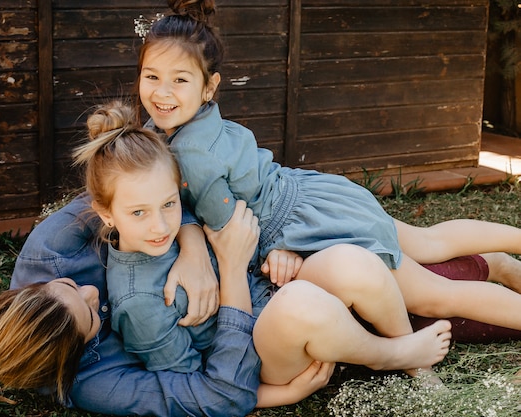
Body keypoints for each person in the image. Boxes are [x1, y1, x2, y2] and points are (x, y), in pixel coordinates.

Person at [135, 0, 521, 342]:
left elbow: (233, 230)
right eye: (152, 76)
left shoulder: (190, 151)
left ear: (209, 86)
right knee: (428, 242)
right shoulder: (187, 122)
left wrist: (276, 252)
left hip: (302, 225)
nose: (162, 92)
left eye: (179, 80)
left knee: (435, 295)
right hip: (315, 195)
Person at [0, 184, 521, 414]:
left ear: (33, 287)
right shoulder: (90, 383)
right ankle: (486, 273)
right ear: (80, 353)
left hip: (261, 254)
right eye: (91, 312)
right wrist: (272, 395)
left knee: (403, 270)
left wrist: (195, 246)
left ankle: (490, 266)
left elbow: (154, 185)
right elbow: (209, 396)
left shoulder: (50, 252)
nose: (88, 288)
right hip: (271, 316)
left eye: (69, 287)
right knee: (412, 293)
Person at [71, 99, 454, 378]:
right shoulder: (140, 306)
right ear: (107, 213)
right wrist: (279, 395)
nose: (160, 225)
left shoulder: (177, 219)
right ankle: (389, 354)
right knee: (299, 303)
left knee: (353, 263)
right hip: (255, 355)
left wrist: (278, 255)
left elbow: (242, 239)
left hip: (269, 290)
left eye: (169, 204)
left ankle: (415, 355)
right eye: (139, 213)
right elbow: (192, 386)